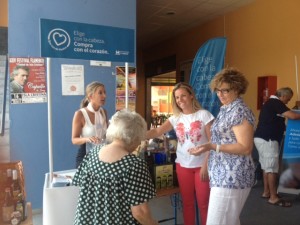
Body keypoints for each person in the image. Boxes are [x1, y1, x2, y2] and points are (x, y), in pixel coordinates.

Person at [190, 68, 256, 225]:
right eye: (217, 90)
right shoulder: (226, 109)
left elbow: (245, 147)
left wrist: (213, 146)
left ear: (237, 88)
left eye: (225, 90)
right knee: (229, 221)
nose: (220, 94)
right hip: (222, 174)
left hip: (232, 176)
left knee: (217, 221)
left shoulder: (239, 110)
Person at [72, 109, 158, 225]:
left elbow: (79, 184)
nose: (139, 143)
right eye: (140, 139)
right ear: (135, 137)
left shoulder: (93, 153)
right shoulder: (134, 165)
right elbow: (140, 212)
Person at [146, 82, 214, 225]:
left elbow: (213, 142)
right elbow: (157, 131)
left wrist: (206, 165)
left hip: (202, 166)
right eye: (177, 97)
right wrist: (135, 134)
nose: (180, 100)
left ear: (191, 96)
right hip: (183, 166)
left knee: (204, 203)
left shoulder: (204, 115)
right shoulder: (175, 118)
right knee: (187, 203)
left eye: (183, 96)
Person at [254, 87, 300, 207]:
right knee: (272, 168)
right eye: (288, 99)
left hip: (262, 138)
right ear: (283, 96)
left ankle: (267, 192)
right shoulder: (276, 102)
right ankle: (273, 197)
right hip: (268, 140)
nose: (288, 102)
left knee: (266, 167)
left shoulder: (271, 103)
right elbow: (293, 116)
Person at [71, 81, 108, 168]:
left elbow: (107, 134)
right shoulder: (80, 114)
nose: (104, 96)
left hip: (102, 155)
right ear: (91, 96)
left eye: (104, 92)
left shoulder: (104, 112)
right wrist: (88, 139)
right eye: (100, 93)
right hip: (86, 156)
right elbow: (74, 140)